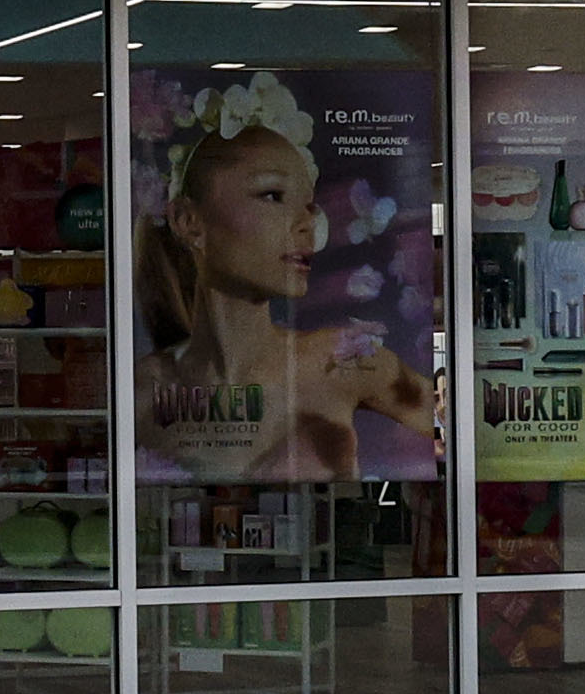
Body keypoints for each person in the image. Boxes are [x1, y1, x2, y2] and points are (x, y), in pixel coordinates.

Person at [136, 74, 438, 484]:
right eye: (272, 196)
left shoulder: (345, 362)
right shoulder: (144, 391)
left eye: (309, 206)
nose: (306, 224)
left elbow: (466, 436)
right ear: (189, 221)